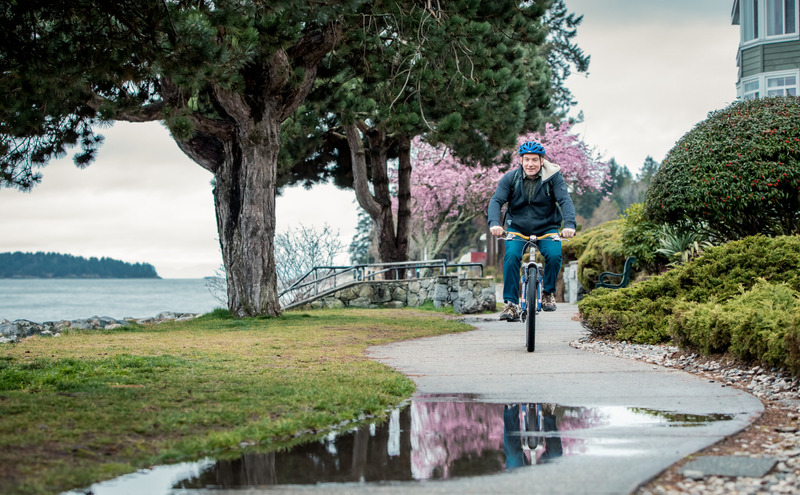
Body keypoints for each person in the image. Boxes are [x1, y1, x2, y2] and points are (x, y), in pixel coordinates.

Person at [487, 140, 576, 320]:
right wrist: (495, 223)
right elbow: (496, 201)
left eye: (534, 160)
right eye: (526, 159)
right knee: (511, 257)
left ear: (542, 161)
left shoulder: (554, 178)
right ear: (521, 161)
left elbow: (565, 200)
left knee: (555, 255)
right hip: (517, 228)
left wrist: (569, 225)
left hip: (547, 227)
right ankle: (511, 304)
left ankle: (548, 292)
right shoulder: (510, 179)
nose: (530, 164)